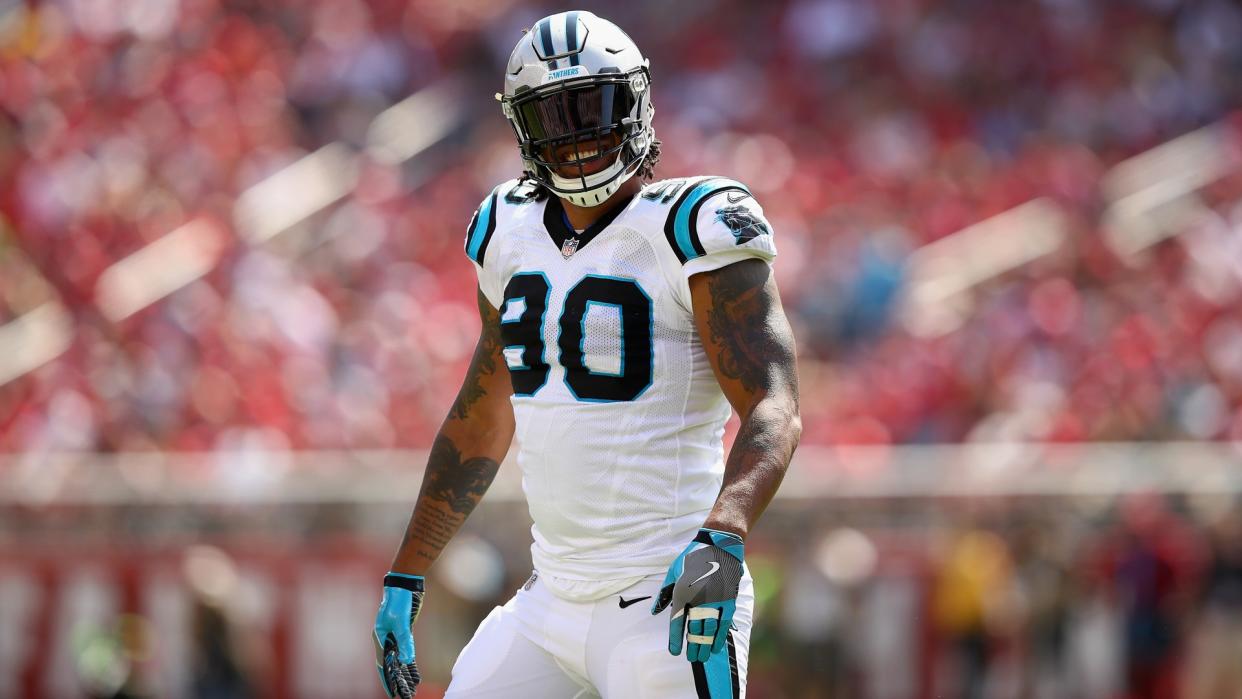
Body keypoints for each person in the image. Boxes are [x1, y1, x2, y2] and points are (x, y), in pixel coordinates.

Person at [373, 10, 801, 698]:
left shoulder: (693, 224)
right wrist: (408, 569)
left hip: (666, 587)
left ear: (636, 103)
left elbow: (775, 405)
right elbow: (483, 413)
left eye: (593, 109)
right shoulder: (505, 228)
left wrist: (723, 532)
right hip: (548, 599)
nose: (574, 137)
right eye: (553, 117)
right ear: (521, 129)